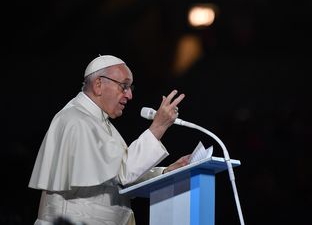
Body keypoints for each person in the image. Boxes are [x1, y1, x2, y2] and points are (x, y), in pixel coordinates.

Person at [28, 55, 191, 225]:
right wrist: (158, 127)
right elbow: (123, 174)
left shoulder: (99, 122)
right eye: (124, 86)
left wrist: (164, 172)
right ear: (98, 85)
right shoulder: (76, 120)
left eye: (130, 87)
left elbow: (115, 173)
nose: (129, 95)